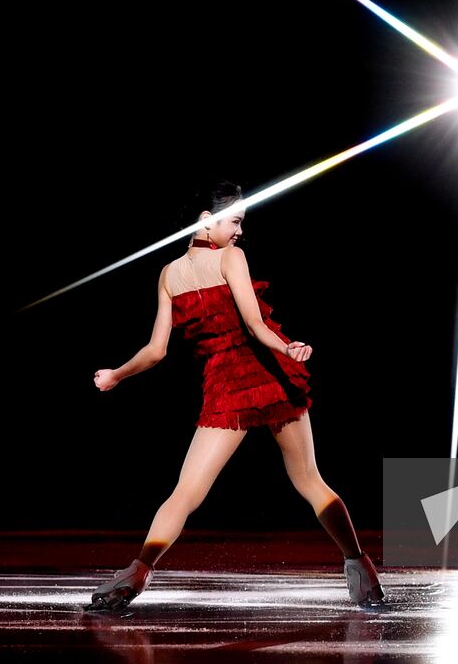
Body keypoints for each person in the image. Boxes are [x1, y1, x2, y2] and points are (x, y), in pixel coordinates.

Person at [84, 180, 385, 611]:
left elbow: (155, 351)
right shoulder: (231, 257)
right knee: (308, 479)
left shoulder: (169, 274)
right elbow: (256, 326)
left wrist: (117, 374)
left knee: (185, 492)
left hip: (225, 385)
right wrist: (288, 349)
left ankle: (138, 571)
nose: (240, 231)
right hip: (265, 374)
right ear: (206, 220)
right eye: (235, 221)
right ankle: (360, 568)